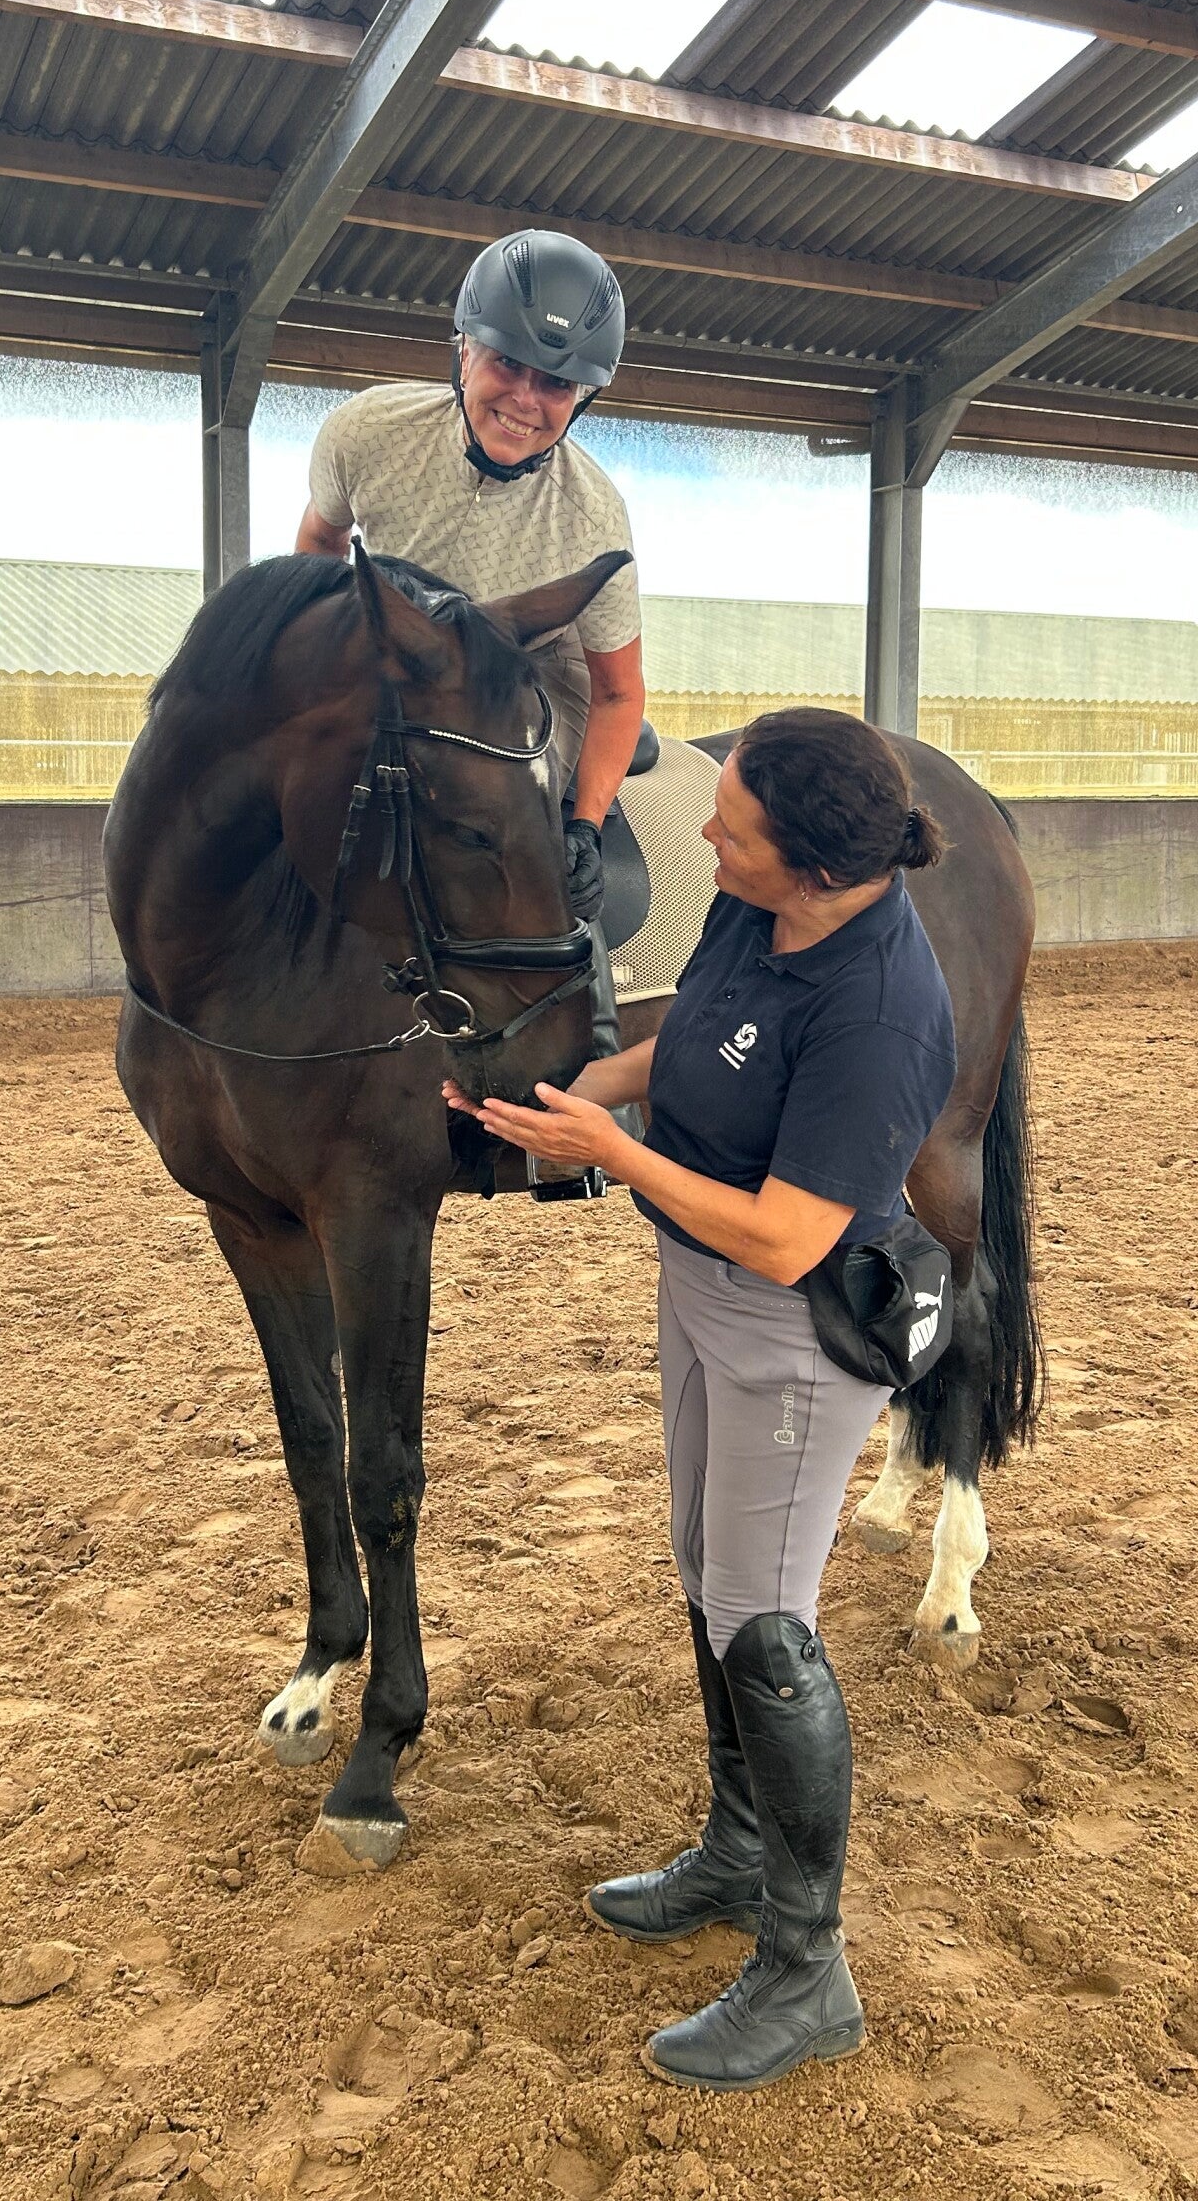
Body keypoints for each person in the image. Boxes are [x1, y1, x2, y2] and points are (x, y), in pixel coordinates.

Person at [446, 709, 954, 2092]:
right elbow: (680, 1054)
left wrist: (610, 1151)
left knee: (767, 1626)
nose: (708, 839)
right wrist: (548, 1104)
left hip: (792, 1329)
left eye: (733, 830)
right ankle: (739, 1854)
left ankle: (809, 1969)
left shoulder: (883, 1009)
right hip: (696, 1292)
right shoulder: (752, 912)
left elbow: (792, 1236)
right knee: (704, 1576)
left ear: (811, 866)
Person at [294, 230, 644, 964]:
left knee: (512, 818)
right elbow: (320, 550)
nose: (525, 399)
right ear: (462, 350)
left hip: (531, 668)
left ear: (580, 400)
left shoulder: (595, 516)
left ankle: (587, 1008)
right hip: (400, 645)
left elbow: (617, 693)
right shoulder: (364, 433)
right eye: (508, 363)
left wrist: (581, 826)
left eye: (555, 383)